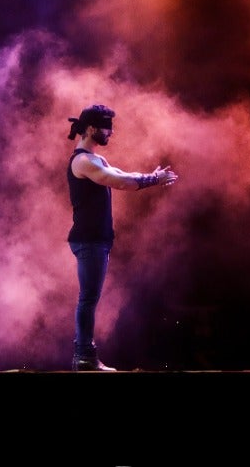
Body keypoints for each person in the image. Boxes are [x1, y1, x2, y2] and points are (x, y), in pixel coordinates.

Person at [66, 103, 178, 372]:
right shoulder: (82, 161)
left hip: (97, 239)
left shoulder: (96, 159)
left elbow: (122, 175)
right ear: (92, 128)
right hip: (89, 240)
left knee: (89, 298)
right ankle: (84, 357)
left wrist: (150, 177)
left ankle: (84, 356)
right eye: (106, 128)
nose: (110, 133)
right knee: (88, 299)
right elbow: (119, 182)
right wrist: (153, 179)